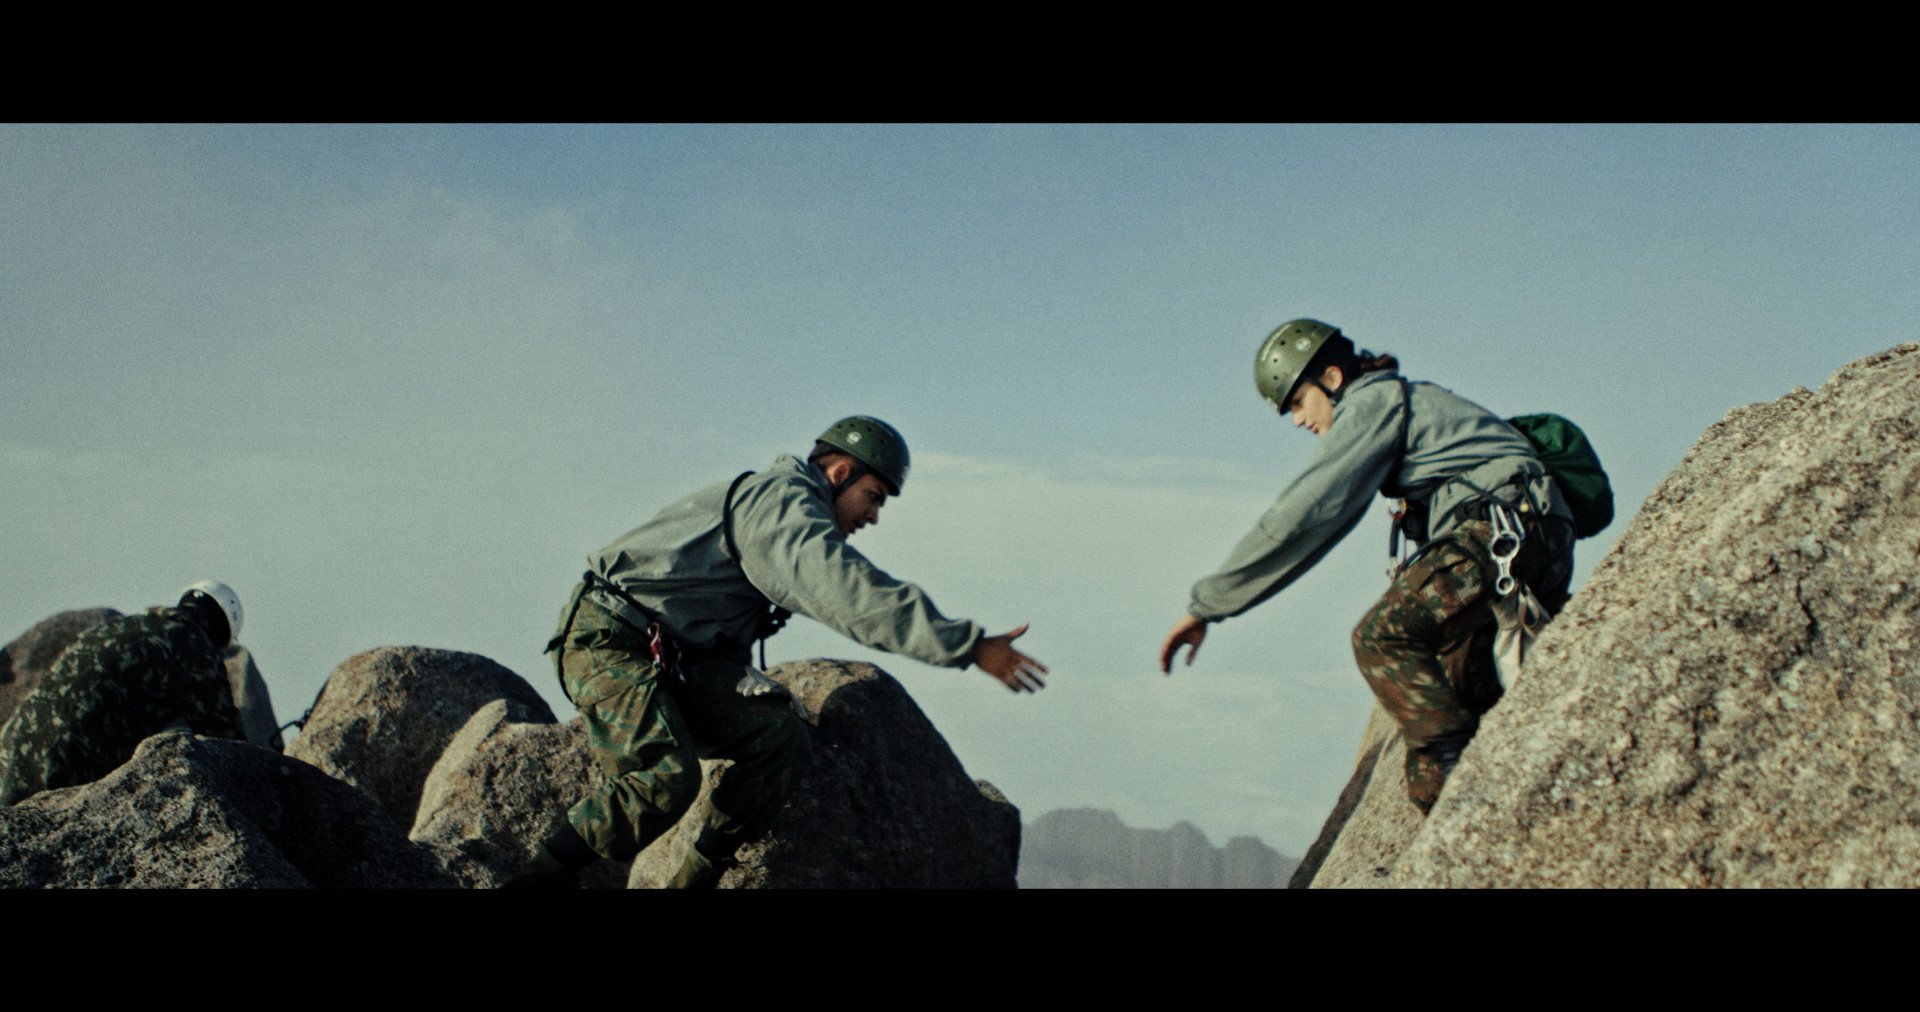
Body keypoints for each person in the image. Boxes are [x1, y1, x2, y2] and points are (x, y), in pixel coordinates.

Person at [520, 416, 1049, 888]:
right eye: (874, 497)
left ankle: (692, 880)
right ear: (840, 472)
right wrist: (966, 645)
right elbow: (846, 591)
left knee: (778, 738)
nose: (873, 516)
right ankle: (535, 877)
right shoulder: (782, 505)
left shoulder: (786, 511)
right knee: (664, 779)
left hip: (675, 660)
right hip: (610, 639)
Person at [1158, 319, 1575, 813]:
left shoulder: (1372, 403)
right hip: (1529, 543)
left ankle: (1475, 802)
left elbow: (1306, 512)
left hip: (1508, 532)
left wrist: (1207, 606)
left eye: (1298, 402)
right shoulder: (1399, 405)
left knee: (1382, 637)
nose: (1297, 421)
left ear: (1332, 378)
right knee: (1432, 762)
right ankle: (1471, 803)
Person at [0, 580, 248, 806]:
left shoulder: (125, 624)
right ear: (221, 632)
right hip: (70, 763)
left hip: (18, 751)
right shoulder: (192, 645)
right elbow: (225, 737)